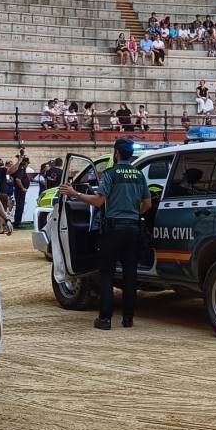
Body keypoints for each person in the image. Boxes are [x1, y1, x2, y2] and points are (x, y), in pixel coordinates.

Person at [61, 138, 152, 330]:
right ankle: (128, 319)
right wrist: (133, 214)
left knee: (107, 274)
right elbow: (147, 204)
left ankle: (105, 319)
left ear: (116, 153)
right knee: (130, 274)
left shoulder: (111, 174)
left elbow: (98, 201)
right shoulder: (138, 174)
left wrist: (74, 194)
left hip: (113, 228)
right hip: (133, 228)